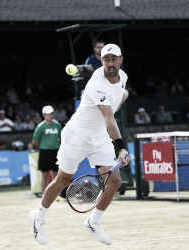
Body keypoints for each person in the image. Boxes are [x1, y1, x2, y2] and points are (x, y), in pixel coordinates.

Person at [28, 43, 130, 246]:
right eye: (106, 59)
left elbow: (113, 109)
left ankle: (94, 222)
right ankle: (38, 218)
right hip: (78, 135)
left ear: (120, 60)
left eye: (113, 59)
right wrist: (122, 147)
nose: (110, 63)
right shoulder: (96, 82)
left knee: (115, 180)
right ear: (101, 61)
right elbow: (110, 118)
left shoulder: (123, 78)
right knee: (62, 181)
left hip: (99, 136)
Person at [32, 105, 62, 197]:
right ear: (44, 115)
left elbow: (61, 139)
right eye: (48, 114)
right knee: (44, 175)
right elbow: (35, 141)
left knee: (55, 174)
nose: (51, 116)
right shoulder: (40, 127)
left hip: (56, 151)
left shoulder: (57, 125)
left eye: (52, 113)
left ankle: (55, 194)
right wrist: (44, 146)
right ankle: (44, 194)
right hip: (44, 152)